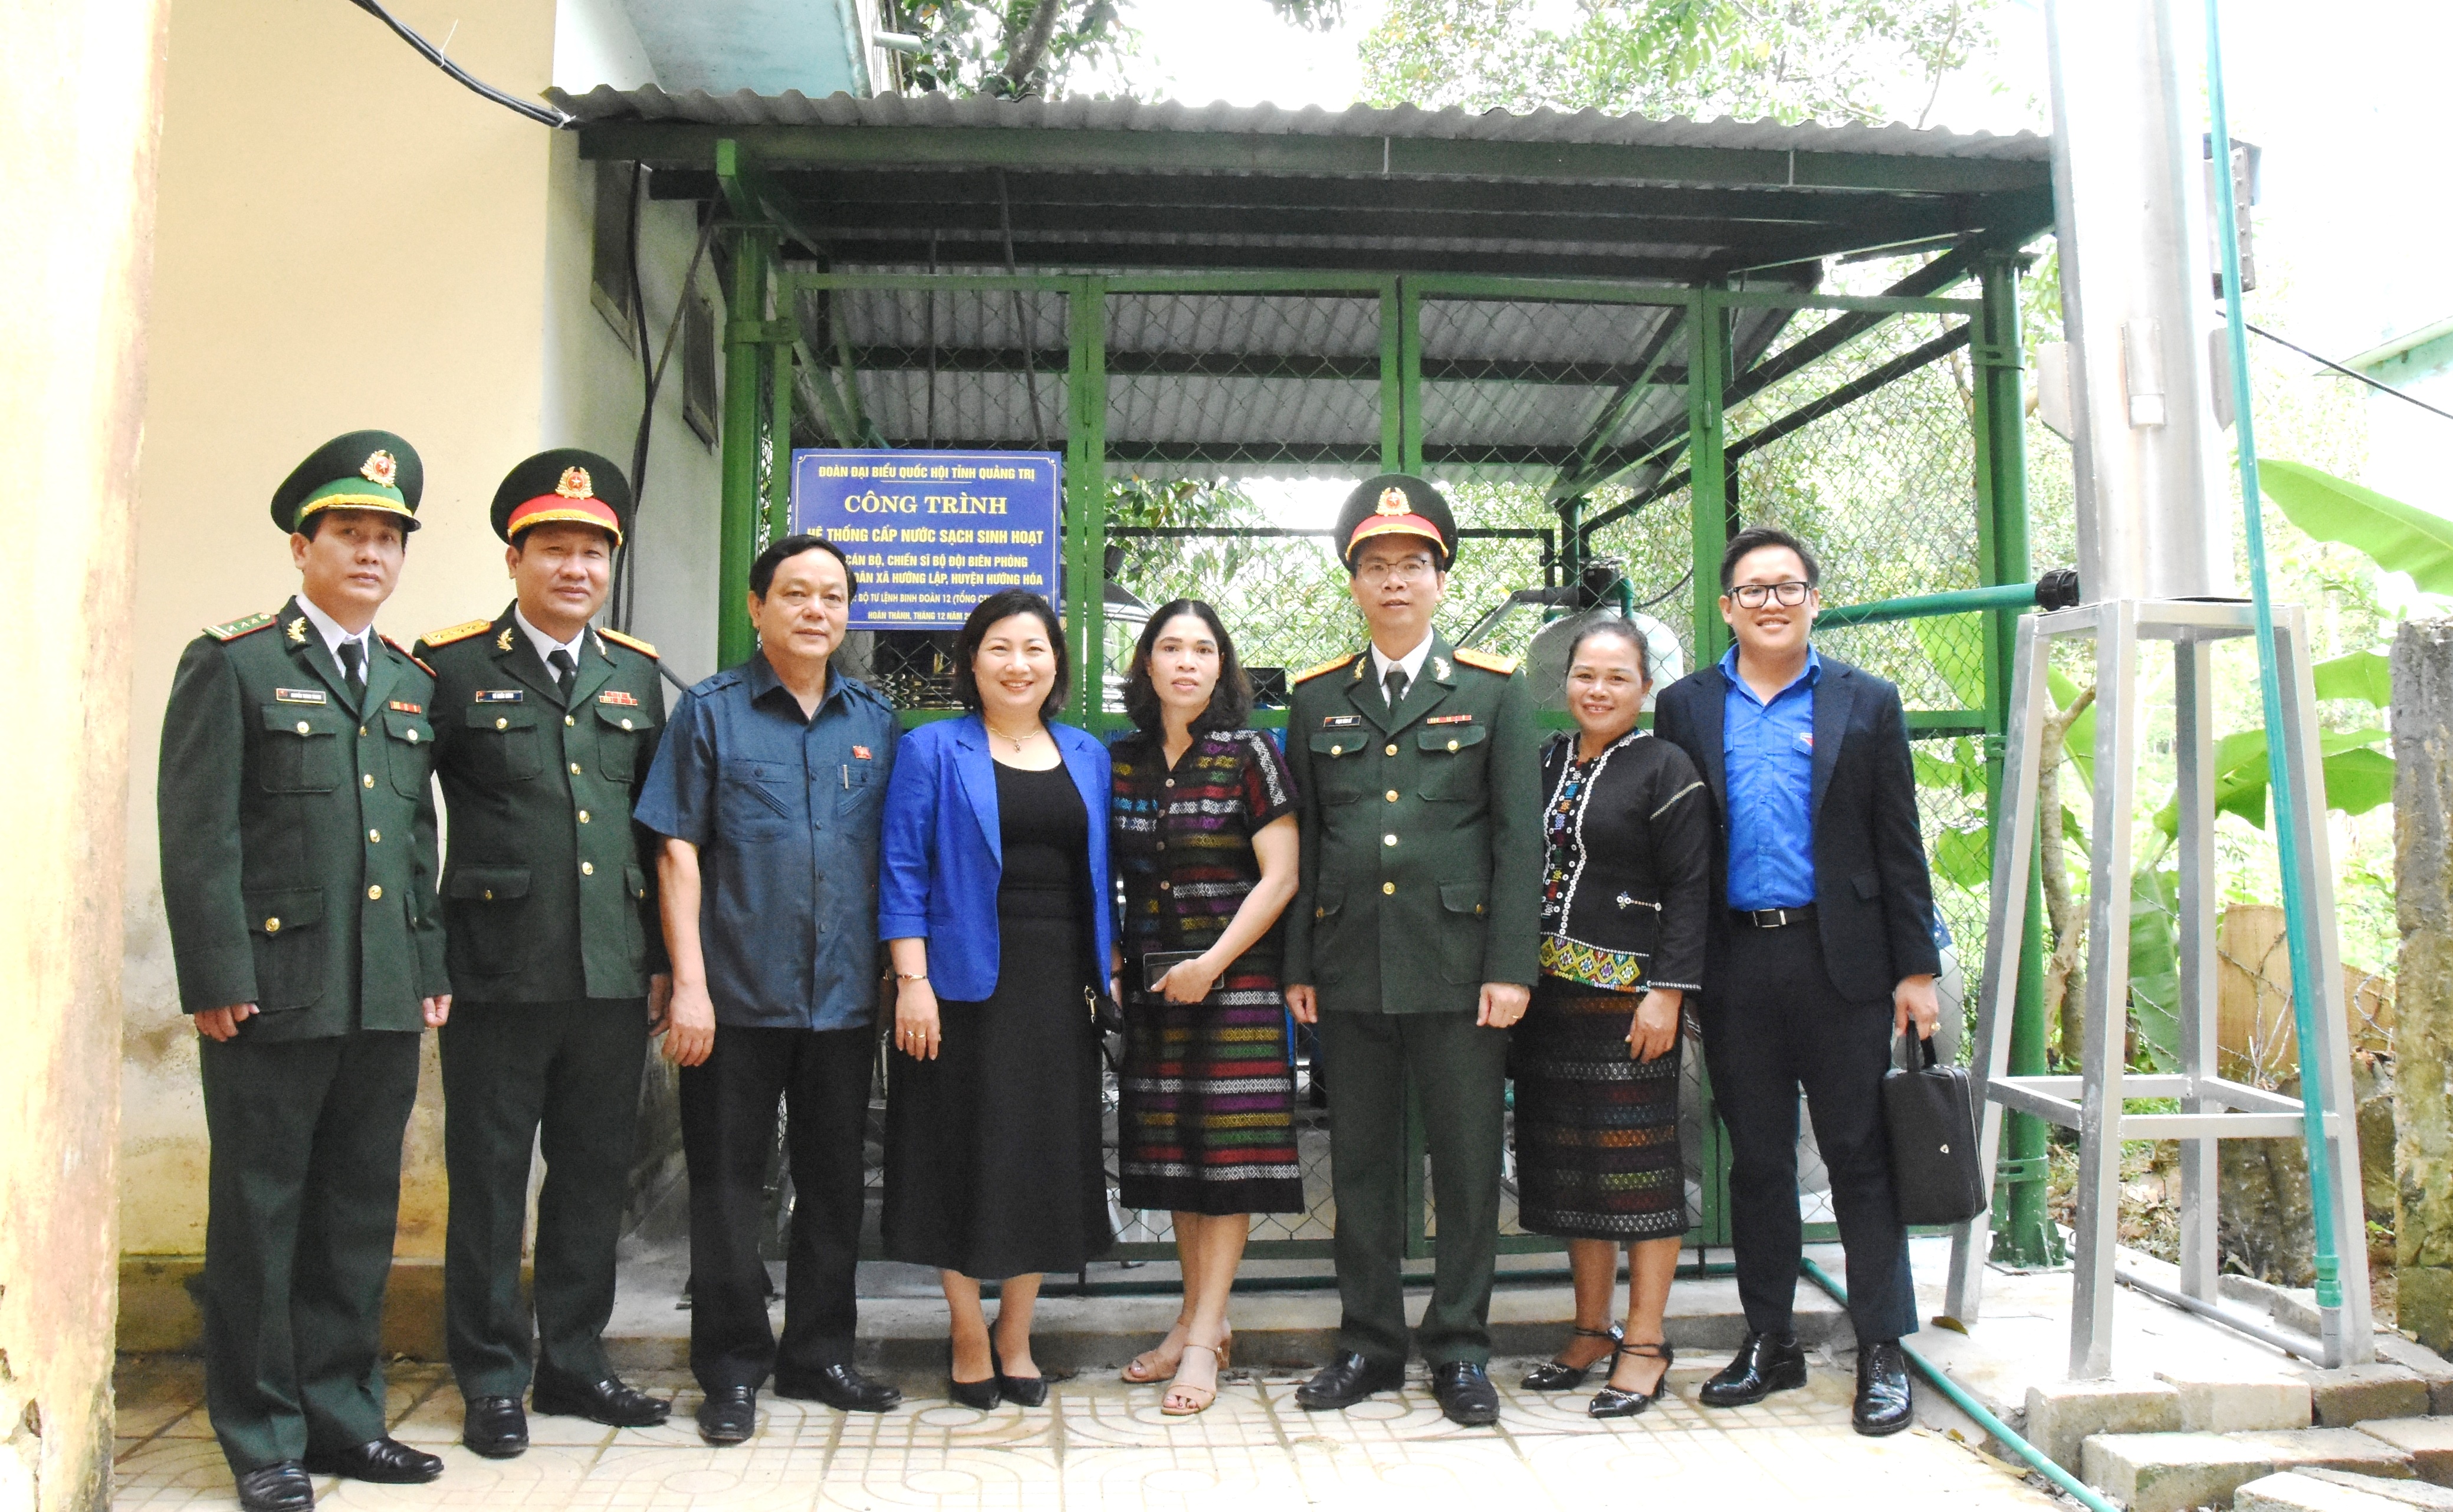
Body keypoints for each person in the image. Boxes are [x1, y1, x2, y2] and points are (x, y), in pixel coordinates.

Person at [157, 432, 451, 1512]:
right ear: (303, 547)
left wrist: (424, 964)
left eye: (389, 539)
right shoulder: (234, 663)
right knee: (260, 1218)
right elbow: (197, 837)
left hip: (378, 997)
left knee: (357, 1218)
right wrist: (214, 974)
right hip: (268, 994)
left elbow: (414, 847)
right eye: (350, 534)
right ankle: (262, 1435)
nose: (371, 554)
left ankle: (343, 1416)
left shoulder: (409, 683)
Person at [1650, 524, 1943, 1437]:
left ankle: (1882, 1349)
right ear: (1727, 606)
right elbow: (1678, 854)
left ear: (1815, 599)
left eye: (1788, 587)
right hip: (1736, 963)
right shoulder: (1687, 706)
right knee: (1761, 1163)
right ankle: (1769, 1340)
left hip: (1842, 962)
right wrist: (1679, 974)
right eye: (1753, 589)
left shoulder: (1868, 701)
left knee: (1859, 1156)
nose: (1771, 602)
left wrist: (1917, 970)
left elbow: (1900, 842)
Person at [413, 451, 672, 1459]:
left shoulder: (636, 674)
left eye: (592, 552)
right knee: (486, 1177)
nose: (575, 569)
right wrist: (427, 948)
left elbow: (657, 829)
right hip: (493, 968)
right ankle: (489, 1376)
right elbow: (405, 816)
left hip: (610, 973)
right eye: (554, 550)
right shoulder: (453, 666)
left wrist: (658, 957)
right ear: (515, 558)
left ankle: (572, 1358)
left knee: (593, 1174)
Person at [1281, 474, 1542, 1428]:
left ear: (1441, 580)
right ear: (1354, 584)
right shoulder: (1317, 700)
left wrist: (1512, 966)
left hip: (1461, 968)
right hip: (1350, 968)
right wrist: (1299, 966)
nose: (1396, 582)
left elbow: (1521, 838)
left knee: (1468, 1166)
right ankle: (1369, 1345)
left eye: (1414, 566)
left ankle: (1462, 1349)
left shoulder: (1495, 690)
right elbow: (1309, 839)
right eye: (1377, 567)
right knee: (1360, 1167)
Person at [634, 533, 907, 1445]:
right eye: (796, 593)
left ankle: (821, 1353)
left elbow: (892, 856)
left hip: (841, 1000)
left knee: (833, 1182)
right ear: (757, 607)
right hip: (734, 996)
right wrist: (691, 988)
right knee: (725, 1185)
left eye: (832, 596)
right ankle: (732, 1367)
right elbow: (678, 851)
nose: (815, 611)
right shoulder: (709, 713)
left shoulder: (874, 719)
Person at [878, 590, 1116, 1411]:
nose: (1019, 665)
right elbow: (902, 870)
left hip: (1058, 986)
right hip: (958, 982)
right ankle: (967, 1331)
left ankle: (1017, 1332)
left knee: (1041, 1156)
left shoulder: (1087, 751)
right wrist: (913, 982)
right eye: (1000, 649)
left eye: (1036, 649)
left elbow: (1099, 875)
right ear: (970, 663)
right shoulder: (933, 750)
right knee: (958, 1152)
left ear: (1057, 663)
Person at [1510, 618, 1710, 1418]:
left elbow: (1692, 887)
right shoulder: (1544, 763)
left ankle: (1646, 1341)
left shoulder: (1668, 769)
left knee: (1640, 1174)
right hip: (1548, 1001)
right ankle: (1590, 1329)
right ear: (1566, 683)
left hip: (1631, 1004)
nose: (1597, 690)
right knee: (1572, 1169)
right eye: (1585, 675)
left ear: (1645, 687)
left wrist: (1668, 990)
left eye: (1616, 678)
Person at [1109, 601, 1305, 1416]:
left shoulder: (1249, 752)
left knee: (1225, 1168)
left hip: (1236, 986)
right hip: (1158, 990)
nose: (1186, 662)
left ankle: (1203, 1341)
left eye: (1203, 649)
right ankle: (1194, 1320)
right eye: (1170, 648)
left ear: (1222, 666)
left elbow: (1282, 875)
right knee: (1180, 1166)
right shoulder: (1122, 763)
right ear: (1146, 666)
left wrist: (1212, 964)